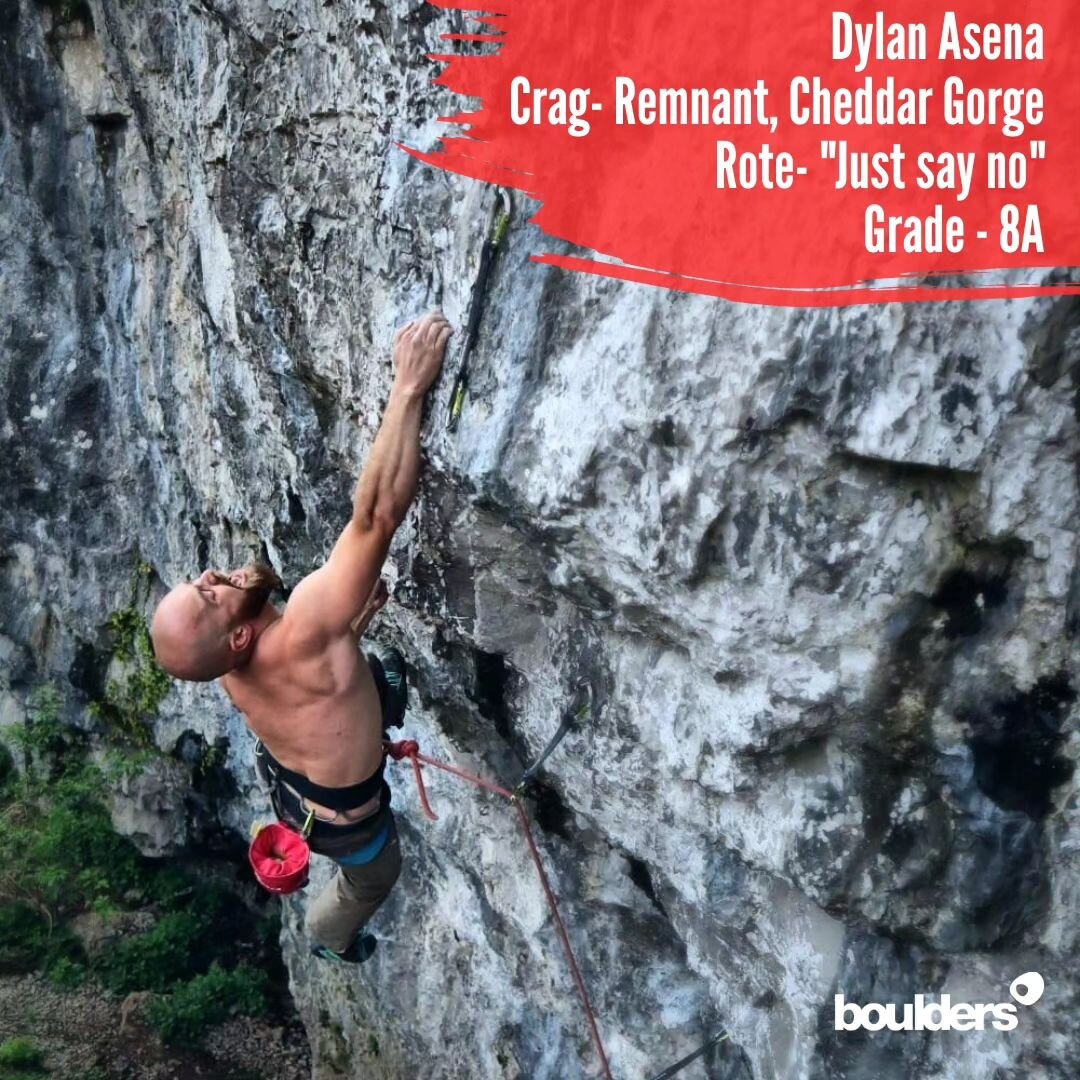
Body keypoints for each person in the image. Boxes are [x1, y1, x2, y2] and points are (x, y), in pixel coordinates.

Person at [150, 311, 453, 964]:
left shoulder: (233, 668)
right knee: (377, 877)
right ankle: (325, 935)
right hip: (353, 827)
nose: (211, 574)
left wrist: (349, 632)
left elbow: (314, 682)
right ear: (234, 637)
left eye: (198, 581)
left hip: (302, 798)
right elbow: (377, 516)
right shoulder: (310, 622)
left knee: (381, 668)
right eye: (208, 595)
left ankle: (325, 919)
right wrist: (408, 389)